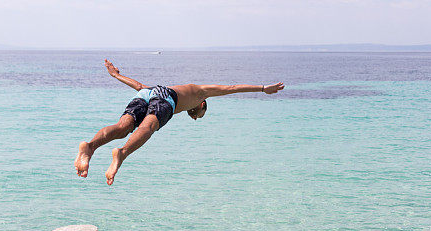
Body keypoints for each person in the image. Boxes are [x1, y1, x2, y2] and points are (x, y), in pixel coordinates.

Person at [75, 60, 284, 185]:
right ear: (202, 104)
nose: (194, 116)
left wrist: (115, 75)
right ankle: (121, 153)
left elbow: (138, 85)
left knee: (123, 127)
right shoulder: (200, 92)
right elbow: (231, 88)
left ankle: (89, 147)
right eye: (198, 114)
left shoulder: (182, 96)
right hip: (164, 98)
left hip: (147, 92)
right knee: (148, 127)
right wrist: (263, 88)